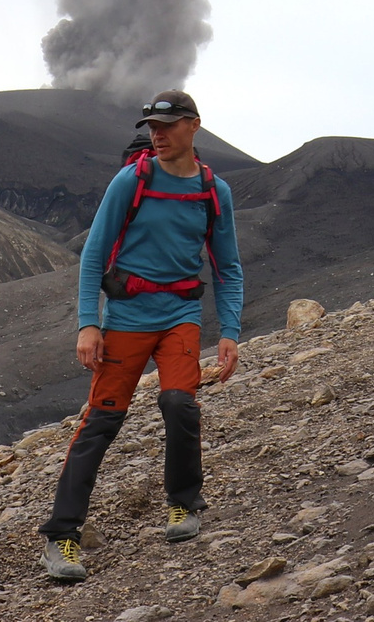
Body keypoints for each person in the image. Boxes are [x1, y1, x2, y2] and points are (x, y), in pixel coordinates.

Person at [38, 90, 242, 584]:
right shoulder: (131, 180)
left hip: (180, 315)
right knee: (102, 422)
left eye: (167, 126)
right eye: (152, 126)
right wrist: (89, 323)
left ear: (194, 126)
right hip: (127, 317)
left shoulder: (215, 192)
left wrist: (231, 331)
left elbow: (228, 267)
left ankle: (184, 503)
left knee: (180, 403)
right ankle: (61, 536)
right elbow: (94, 253)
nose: (158, 134)